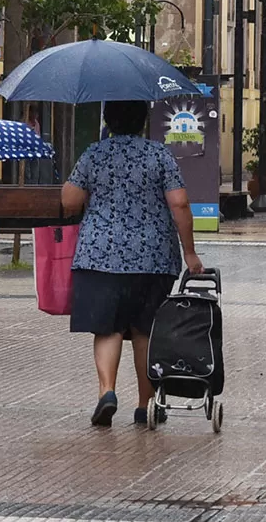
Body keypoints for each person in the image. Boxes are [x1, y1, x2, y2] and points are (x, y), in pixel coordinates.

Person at [62, 101, 205, 428]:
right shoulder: (159, 155)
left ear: (108, 121)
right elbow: (179, 202)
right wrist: (190, 253)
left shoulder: (94, 154)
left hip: (100, 256)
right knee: (145, 331)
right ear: (143, 122)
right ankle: (146, 405)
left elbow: (69, 201)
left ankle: (107, 392)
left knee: (108, 328)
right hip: (152, 257)